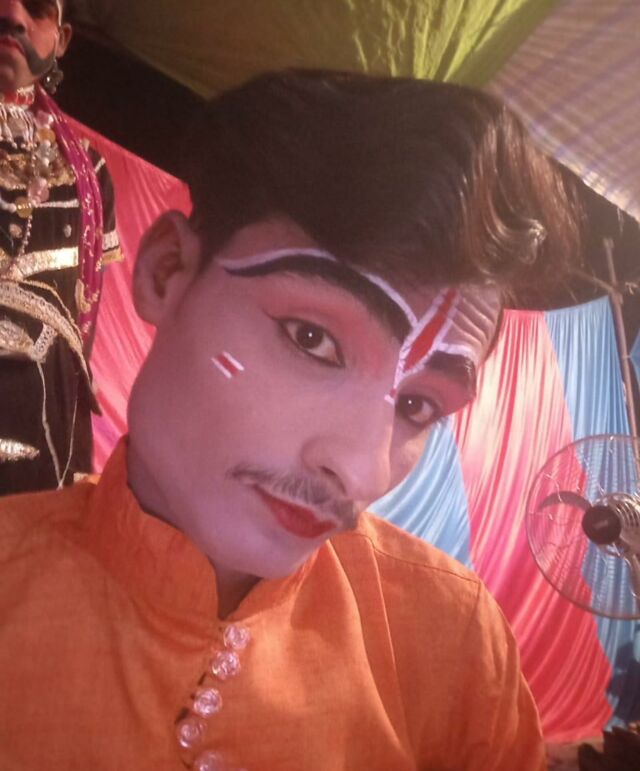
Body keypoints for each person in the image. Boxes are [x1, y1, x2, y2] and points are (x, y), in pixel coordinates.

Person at [0, 71, 581, 770]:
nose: (361, 471)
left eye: (417, 406)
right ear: (165, 272)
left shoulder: (453, 645)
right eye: (313, 339)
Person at [0, 0, 120, 493]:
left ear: (62, 40)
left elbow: (79, 339)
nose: (13, 14)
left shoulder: (89, 173)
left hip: (43, 434)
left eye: (37, 8)